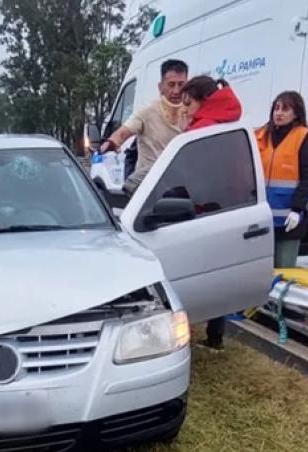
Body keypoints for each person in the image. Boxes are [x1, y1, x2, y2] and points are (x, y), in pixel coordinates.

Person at [181, 75, 243, 351]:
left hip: (201, 210)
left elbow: (184, 173)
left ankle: (184, 333)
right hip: (229, 210)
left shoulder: (201, 129)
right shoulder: (230, 123)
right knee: (218, 275)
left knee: (195, 273)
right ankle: (215, 335)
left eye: (188, 103)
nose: (184, 108)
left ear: (203, 101)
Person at [100, 59, 189, 195]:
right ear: (160, 87)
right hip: (150, 188)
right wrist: (111, 142)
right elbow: (124, 132)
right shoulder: (147, 112)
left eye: (181, 84)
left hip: (181, 185)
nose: (176, 91)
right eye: (171, 85)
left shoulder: (192, 111)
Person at [255, 92, 308, 268]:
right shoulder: (261, 135)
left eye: (285, 109)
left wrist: (298, 209)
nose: (279, 113)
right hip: (262, 218)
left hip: (288, 220)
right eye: (276, 108)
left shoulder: (303, 136)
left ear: (296, 113)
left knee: (284, 271)